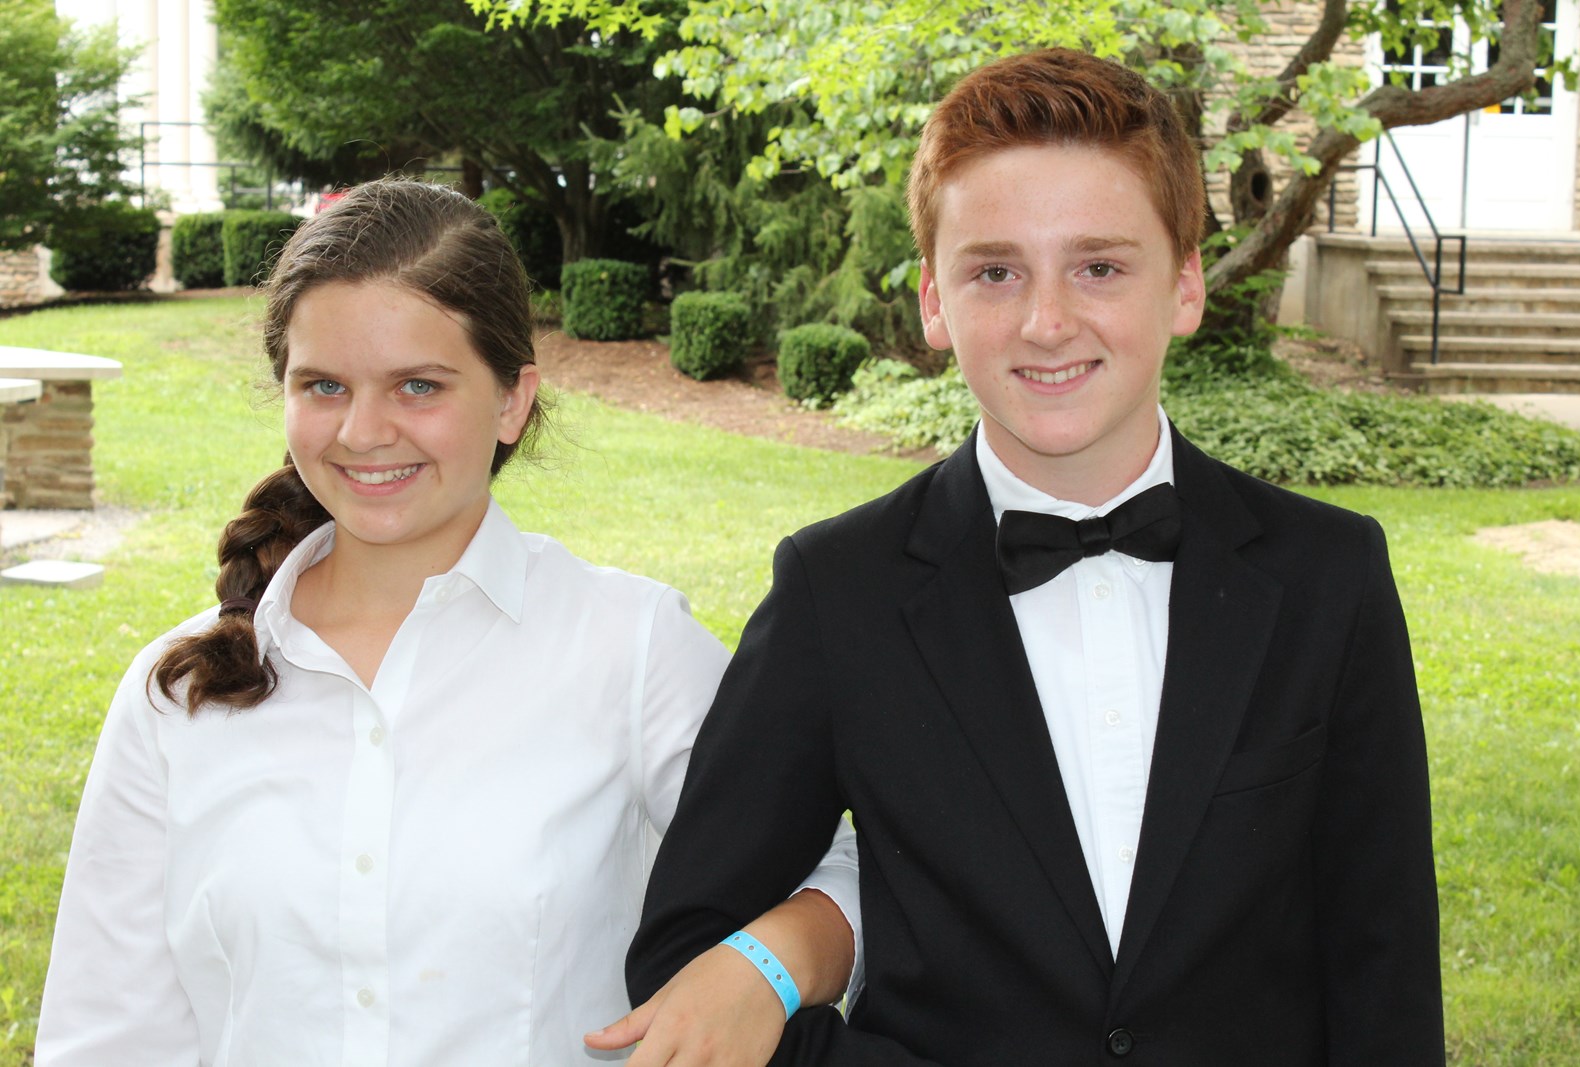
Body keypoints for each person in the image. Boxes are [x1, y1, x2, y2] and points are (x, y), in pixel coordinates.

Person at [628, 48, 1445, 1065]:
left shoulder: (1329, 575)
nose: (1047, 322)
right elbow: (685, 954)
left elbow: (1384, 965)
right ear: (934, 302)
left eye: (1099, 267)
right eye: (995, 272)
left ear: (1185, 286)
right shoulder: (838, 592)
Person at [35, 179, 858, 1066]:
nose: (362, 431)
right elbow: (106, 1036)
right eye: (323, 385)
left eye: (417, 385)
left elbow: (846, 867)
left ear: (511, 400)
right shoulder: (176, 694)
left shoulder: (630, 647)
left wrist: (763, 969)